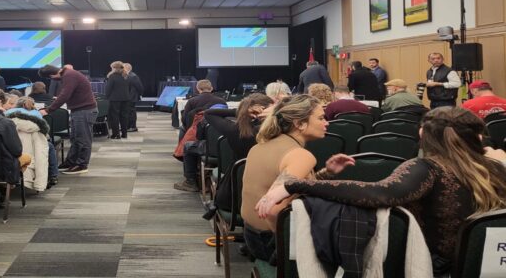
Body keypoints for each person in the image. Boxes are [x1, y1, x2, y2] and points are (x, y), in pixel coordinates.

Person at [257, 107, 506, 276]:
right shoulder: (496, 167)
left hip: (430, 268)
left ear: (423, 135)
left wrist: (293, 185)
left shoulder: (427, 168)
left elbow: (379, 194)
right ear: (479, 136)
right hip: (488, 265)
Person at [241, 95, 343, 262]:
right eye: (320, 118)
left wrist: (327, 173)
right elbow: (272, 209)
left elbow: (291, 188)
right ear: (299, 124)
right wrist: (285, 249)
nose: (326, 122)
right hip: (273, 244)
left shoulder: (260, 146)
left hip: (252, 237)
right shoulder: (300, 156)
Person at [174, 94, 274, 192]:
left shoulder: (234, 130)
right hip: (270, 182)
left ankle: (190, 180)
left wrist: (242, 111)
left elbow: (208, 113)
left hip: (235, 184)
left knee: (187, 145)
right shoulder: (278, 132)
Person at [38, 64, 97, 175]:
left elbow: (65, 94)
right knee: (75, 138)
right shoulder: (68, 74)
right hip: (79, 110)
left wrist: (48, 110)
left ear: (51, 75)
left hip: (84, 110)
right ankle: (71, 162)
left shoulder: (69, 75)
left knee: (83, 139)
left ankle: (82, 165)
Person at [105, 61, 131, 139]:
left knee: (114, 117)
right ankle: (124, 134)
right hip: (126, 99)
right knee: (124, 116)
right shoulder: (126, 76)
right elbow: (129, 88)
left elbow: (108, 89)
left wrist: (107, 97)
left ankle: (116, 134)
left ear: (114, 68)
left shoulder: (112, 76)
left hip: (115, 99)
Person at [124, 63, 144, 132]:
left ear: (127, 68)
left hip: (131, 97)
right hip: (128, 97)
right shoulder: (128, 75)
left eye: (123, 68)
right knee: (128, 112)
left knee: (131, 113)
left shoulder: (133, 76)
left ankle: (133, 127)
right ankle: (128, 126)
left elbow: (140, 87)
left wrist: (140, 94)